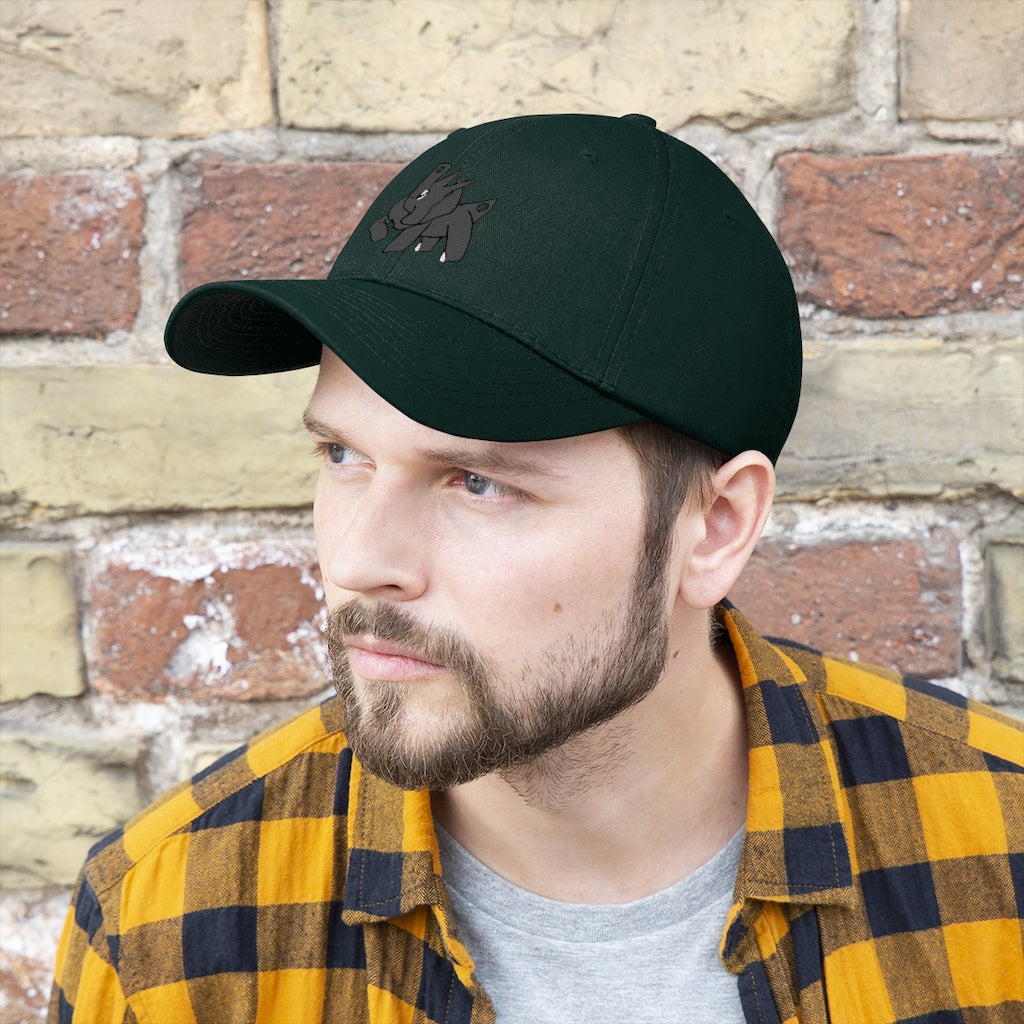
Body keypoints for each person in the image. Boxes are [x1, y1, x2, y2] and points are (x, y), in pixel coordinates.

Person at [51, 113, 1023, 1024]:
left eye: (478, 482)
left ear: (716, 527)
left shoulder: (999, 852)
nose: (358, 561)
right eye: (344, 455)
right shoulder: (168, 928)